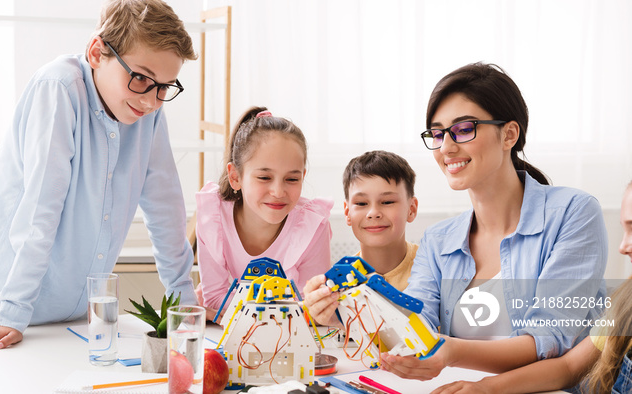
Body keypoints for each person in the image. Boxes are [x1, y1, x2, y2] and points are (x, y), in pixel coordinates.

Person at [304, 62, 608, 379]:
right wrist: (341, 310)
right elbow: (414, 328)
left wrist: (452, 351)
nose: (446, 148)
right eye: (437, 134)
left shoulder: (573, 213)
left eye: (464, 129)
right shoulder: (439, 240)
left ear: (509, 135)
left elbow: (551, 341)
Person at [0, 0, 198, 354]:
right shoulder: (60, 87)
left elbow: (165, 208)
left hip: (72, 305)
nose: (153, 100)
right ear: (98, 53)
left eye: (165, 87)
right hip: (2, 298)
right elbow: (41, 210)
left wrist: (185, 307)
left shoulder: (147, 111)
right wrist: (13, 313)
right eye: (140, 77)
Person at [432, 182, 632, 394]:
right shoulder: (626, 303)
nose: (622, 247)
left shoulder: (577, 209)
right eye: (625, 230)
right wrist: (485, 388)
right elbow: (568, 367)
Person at [195, 106, 333, 321]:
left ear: (303, 177)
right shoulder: (213, 216)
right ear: (235, 177)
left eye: (292, 179)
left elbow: (311, 306)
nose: (278, 192)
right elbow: (214, 298)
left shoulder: (313, 226)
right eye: (264, 178)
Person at [302, 150, 419, 327]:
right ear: (347, 213)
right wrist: (316, 315)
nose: (373, 213)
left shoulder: (433, 269)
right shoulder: (335, 284)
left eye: (387, 202)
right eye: (361, 204)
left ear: (411, 209)